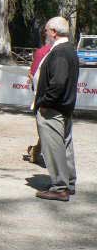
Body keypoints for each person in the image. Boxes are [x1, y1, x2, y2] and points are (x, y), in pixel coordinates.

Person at [33, 16, 79, 202]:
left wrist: (45, 103)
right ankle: (68, 183)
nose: (45, 33)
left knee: (54, 148)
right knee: (65, 147)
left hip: (53, 109)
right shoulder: (69, 50)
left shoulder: (59, 52)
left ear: (53, 32)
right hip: (64, 108)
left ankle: (60, 187)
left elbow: (58, 82)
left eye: (46, 30)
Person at [25, 27, 53, 162]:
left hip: (41, 94)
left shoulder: (41, 52)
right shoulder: (46, 52)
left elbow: (32, 74)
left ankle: (36, 150)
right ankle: (36, 151)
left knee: (44, 126)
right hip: (49, 95)